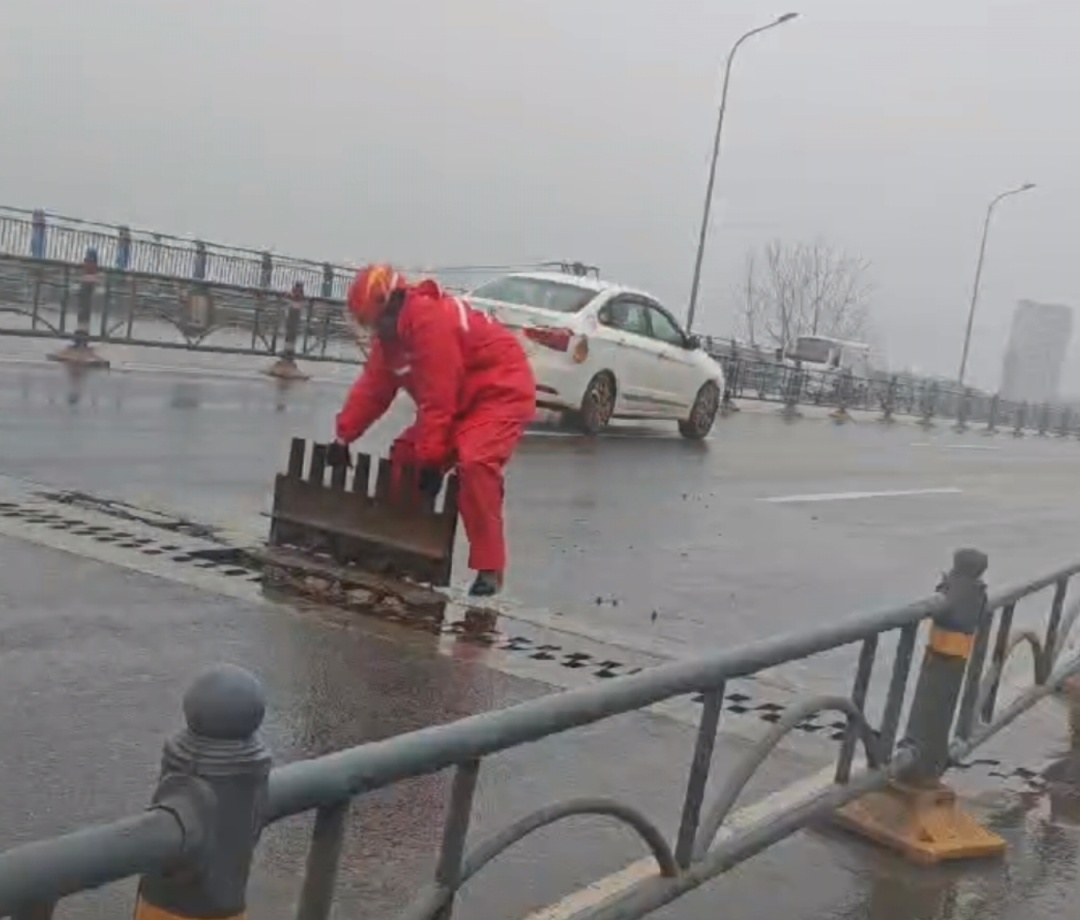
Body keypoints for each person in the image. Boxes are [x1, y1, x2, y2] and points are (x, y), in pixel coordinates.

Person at [329, 264, 536, 597]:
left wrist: (432, 458)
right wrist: (343, 437)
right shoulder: (390, 340)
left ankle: (490, 568)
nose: (368, 329)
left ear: (386, 305)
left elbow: (438, 397)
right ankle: (406, 547)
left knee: (475, 462)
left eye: (368, 320)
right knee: (404, 456)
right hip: (460, 400)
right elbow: (373, 390)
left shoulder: (429, 321)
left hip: (499, 391)